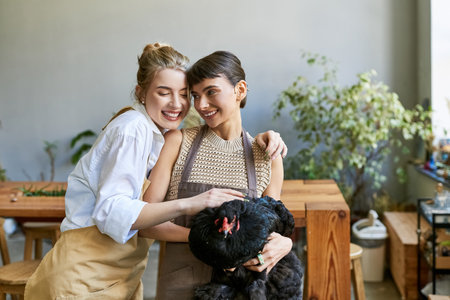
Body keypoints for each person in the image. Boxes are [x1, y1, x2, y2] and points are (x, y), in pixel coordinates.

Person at [24, 43, 287, 300]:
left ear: (240, 89)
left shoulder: (162, 135)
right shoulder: (135, 130)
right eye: (165, 92)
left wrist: (284, 244)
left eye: (186, 94)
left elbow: (274, 221)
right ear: (141, 92)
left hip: (122, 276)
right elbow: (116, 212)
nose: (188, 104)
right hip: (85, 275)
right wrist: (209, 235)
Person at [142, 50, 293, 299]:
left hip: (242, 289)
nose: (201, 105)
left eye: (211, 92)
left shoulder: (267, 156)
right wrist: (208, 240)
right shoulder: (178, 142)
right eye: (195, 96)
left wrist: (284, 244)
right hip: (181, 284)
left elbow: (271, 226)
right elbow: (145, 222)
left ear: (240, 90)